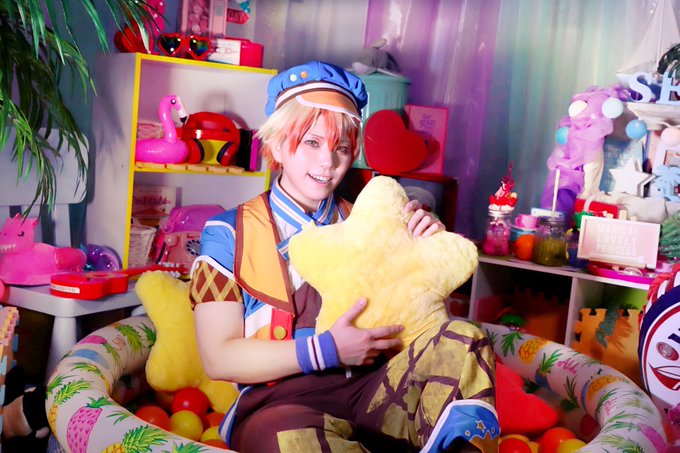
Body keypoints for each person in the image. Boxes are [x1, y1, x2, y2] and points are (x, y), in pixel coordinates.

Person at [189, 60, 499, 453]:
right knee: (289, 443)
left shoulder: (371, 221)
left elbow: (419, 322)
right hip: (281, 406)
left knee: (465, 339)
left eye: (342, 148)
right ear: (278, 145)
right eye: (312, 143)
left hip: (376, 388)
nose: (328, 161)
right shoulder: (228, 233)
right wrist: (326, 350)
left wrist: (428, 251)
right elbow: (218, 357)